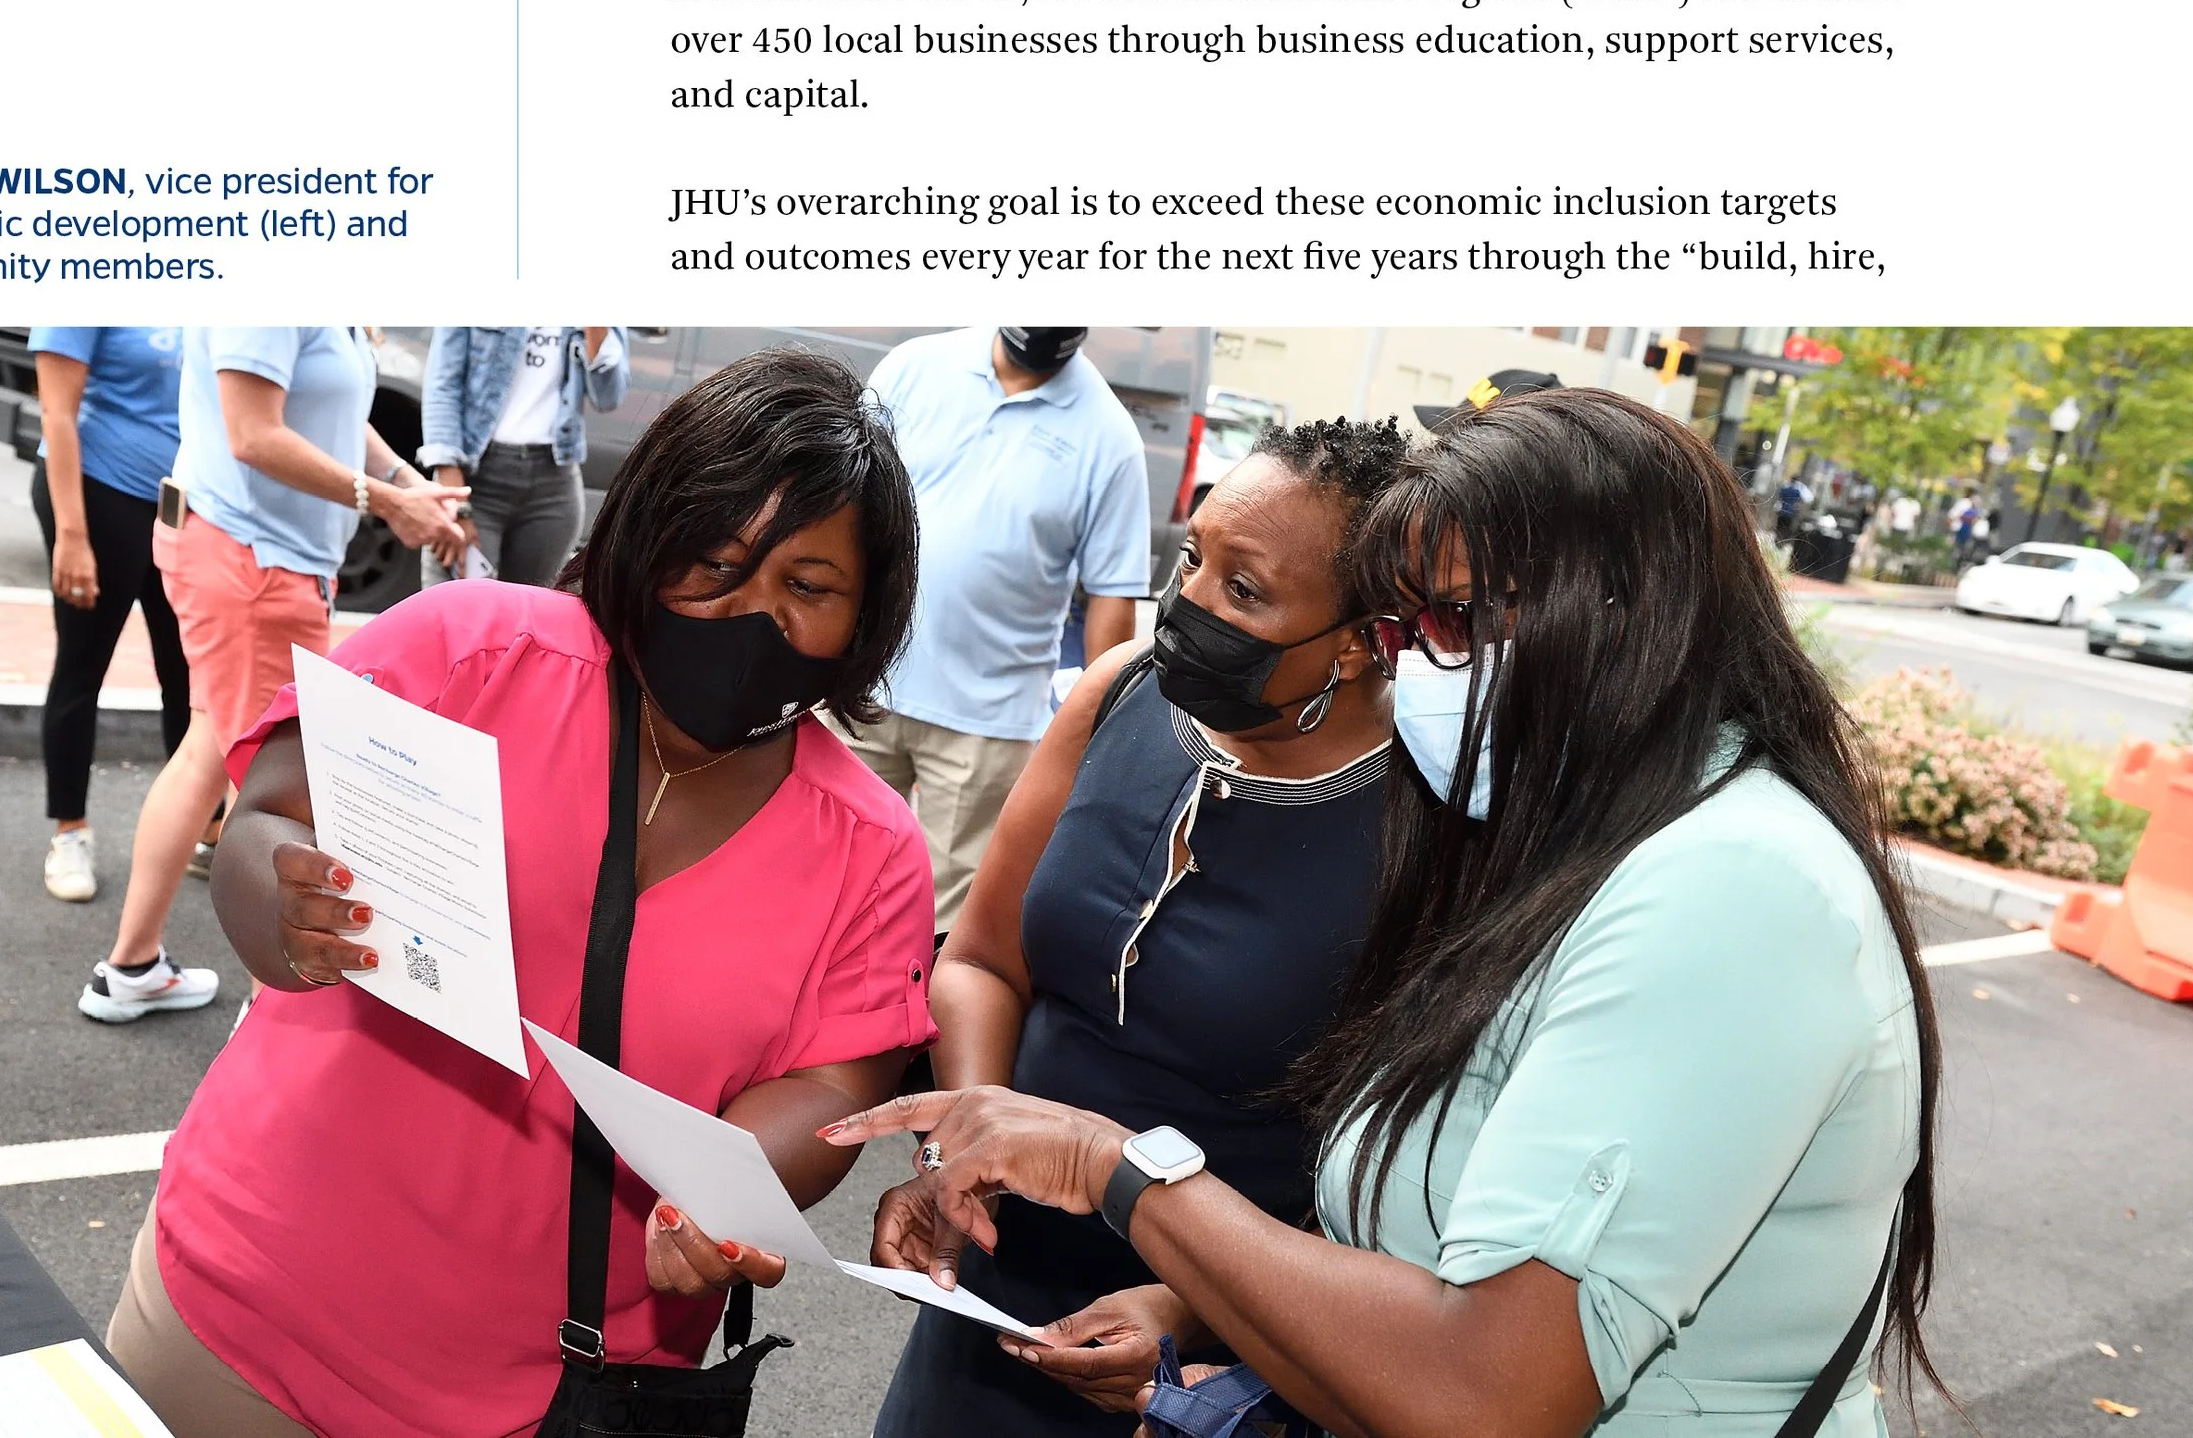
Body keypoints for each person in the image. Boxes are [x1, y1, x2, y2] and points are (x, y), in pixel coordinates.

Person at [826, 384, 1942, 1438]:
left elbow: (1485, 1391)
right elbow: (1423, 1223)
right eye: (1406, 629)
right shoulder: (1588, 839)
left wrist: (1115, 1169)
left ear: (1624, 617)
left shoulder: (1727, 891)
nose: (1415, 671)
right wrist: (1204, 1304)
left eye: (1451, 623)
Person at [106, 349, 938, 1437]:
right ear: (649, 535)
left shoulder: (871, 851)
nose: (748, 614)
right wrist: (282, 904)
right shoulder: (463, 652)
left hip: (559, 1394)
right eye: (716, 563)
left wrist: (727, 1196)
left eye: (807, 588)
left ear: (865, 615)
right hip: (241, 1326)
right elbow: (268, 812)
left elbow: (835, 1084)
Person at [870, 416, 1412, 1435]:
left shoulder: (1420, 834)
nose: (1189, 605)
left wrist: (1200, 1308)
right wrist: (966, 1137)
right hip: (990, 1280)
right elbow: (982, 960)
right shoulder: (1116, 690)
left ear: (1358, 637)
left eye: (1244, 591)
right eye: (1193, 557)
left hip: (1201, 1352)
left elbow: (1394, 1172)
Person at [80, 328, 468, 1025]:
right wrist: (384, 499)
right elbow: (253, 434)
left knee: (210, 752)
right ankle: (270, 1022)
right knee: (273, 791)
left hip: (256, 558)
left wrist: (405, 483)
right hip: (253, 563)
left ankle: (131, 968)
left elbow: (335, 405)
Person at [850, 327, 1150, 931]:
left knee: (932, 925)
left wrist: (1101, 738)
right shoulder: (914, 367)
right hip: (862, 688)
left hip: (988, 727)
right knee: (821, 873)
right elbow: (838, 504)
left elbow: (1111, 602)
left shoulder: (1110, 435)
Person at [28, 327, 193, 904]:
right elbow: (58, 414)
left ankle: (207, 828)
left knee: (190, 675)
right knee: (82, 667)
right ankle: (69, 832)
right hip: (100, 495)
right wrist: (73, 536)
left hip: (183, 506)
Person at [420, 325, 630, 587]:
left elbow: (607, 397)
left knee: (530, 619)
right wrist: (453, 494)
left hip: (552, 484)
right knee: (455, 609)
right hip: (476, 480)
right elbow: (443, 384)